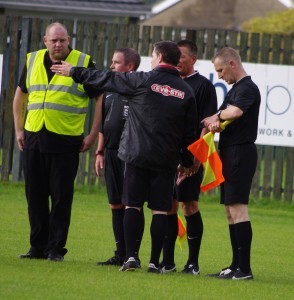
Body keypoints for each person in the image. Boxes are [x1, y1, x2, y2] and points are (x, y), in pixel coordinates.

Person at [51, 40, 198, 273]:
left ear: (159, 57)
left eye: (152, 55)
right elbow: (190, 133)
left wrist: (74, 72)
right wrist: (187, 161)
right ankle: (153, 262)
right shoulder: (186, 91)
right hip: (166, 159)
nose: (150, 60)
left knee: (133, 206)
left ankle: (131, 258)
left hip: (136, 154)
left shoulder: (142, 80)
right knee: (160, 210)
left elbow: (107, 79)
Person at [13, 22, 102, 261]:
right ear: (45, 41)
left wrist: (93, 134)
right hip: (34, 136)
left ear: (69, 40)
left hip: (66, 139)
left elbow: (100, 98)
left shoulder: (83, 62)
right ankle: (37, 247)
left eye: (62, 40)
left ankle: (55, 249)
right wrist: (19, 129)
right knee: (35, 195)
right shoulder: (32, 60)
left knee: (61, 197)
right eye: (54, 40)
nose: (58, 44)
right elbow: (20, 94)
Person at [202, 47, 261, 280]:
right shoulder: (236, 89)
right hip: (229, 152)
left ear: (232, 64)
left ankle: (244, 269)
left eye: (220, 70)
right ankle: (235, 265)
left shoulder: (248, 88)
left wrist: (216, 117)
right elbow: (224, 116)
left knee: (238, 209)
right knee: (229, 211)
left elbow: (234, 112)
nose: (219, 76)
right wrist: (216, 121)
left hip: (240, 153)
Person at [160, 40, 217, 274]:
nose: (178, 60)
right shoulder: (167, 83)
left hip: (190, 158)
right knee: (167, 207)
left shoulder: (204, 86)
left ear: (193, 59)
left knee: (189, 205)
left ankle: (192, 263)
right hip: (165, 155)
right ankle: (168, 262)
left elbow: (207, 123)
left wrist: (195, 157)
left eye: (181, 56)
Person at [95, 48, 144, 267]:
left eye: (116, 62)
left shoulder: (139, 91)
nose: (112, 66)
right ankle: (120, 253)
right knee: (115, 204)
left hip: (130, 155)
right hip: (111, 152)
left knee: (130, 204)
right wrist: (99, 151)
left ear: (130, 67)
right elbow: (104, 125)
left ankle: (132, 254)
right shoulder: (108, 90)